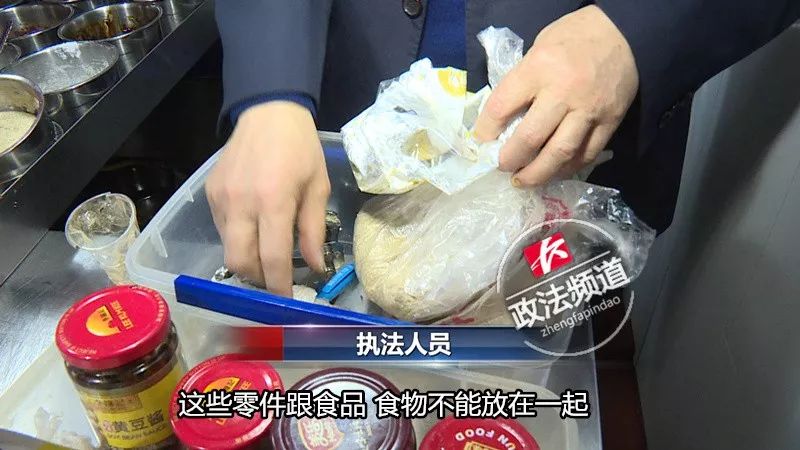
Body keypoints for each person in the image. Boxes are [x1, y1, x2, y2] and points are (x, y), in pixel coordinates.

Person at [207, 1, 800, 296]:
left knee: (528, 389)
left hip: (566, 173)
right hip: (340, 131)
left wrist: (634, 29)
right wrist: (271, 87)